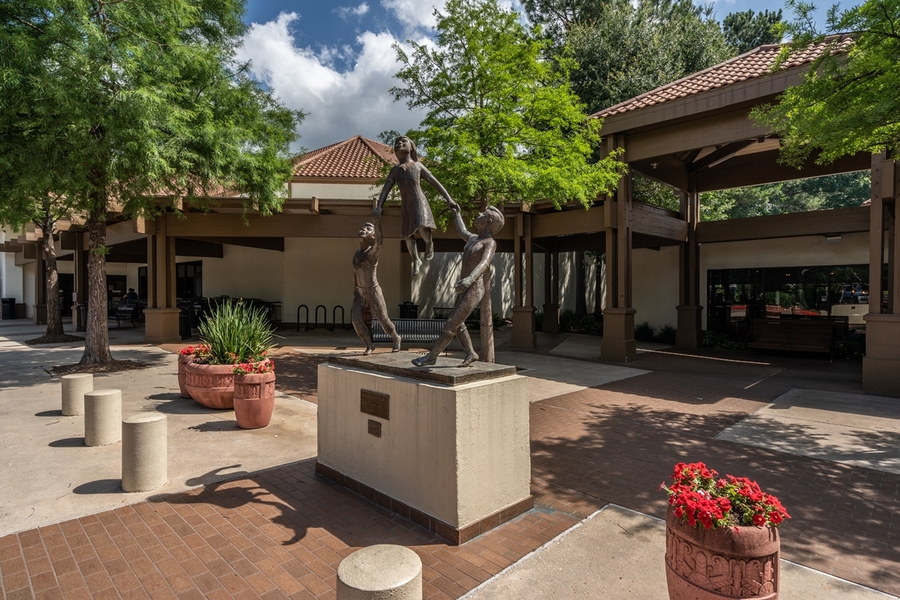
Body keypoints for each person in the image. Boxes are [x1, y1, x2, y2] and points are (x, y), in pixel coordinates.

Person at [412, 203, 504, 368]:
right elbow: (462, 231)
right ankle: (471, 353)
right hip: (465, 286)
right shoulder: (474, 239)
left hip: (474, 287)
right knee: (458, 323)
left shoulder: (489, 243)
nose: (479, 213)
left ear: (488, 221)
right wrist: (457, 213)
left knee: (451, 324)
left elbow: (484, 264)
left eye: (483, 213)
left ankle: (432, 356)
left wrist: (470, 279)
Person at [374, 136, 457, 276]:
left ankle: (429, 243)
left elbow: (436, 183)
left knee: (422, 227)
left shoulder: (418, 166)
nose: (399, 144)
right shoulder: (395, 170)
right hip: (406, 205)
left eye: (403, 142)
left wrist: (449, 199)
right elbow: (385, 190)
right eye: (397, 143)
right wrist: (379, 206)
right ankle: (416, 259)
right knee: (408, 235)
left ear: (412, 147)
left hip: (419, 201)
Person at [352, 212, 402, 355]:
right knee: (356, 320)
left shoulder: (372, 253)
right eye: (363, 228)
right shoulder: (356, 254)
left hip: (373, 290)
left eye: (368, 229)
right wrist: (355, 290)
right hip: (360, 291)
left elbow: (379, 243)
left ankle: (396, 337)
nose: (364, 230)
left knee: (383, 320)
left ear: (373, 236)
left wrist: (377, 223)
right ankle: (369, 345)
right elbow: (355, 274)